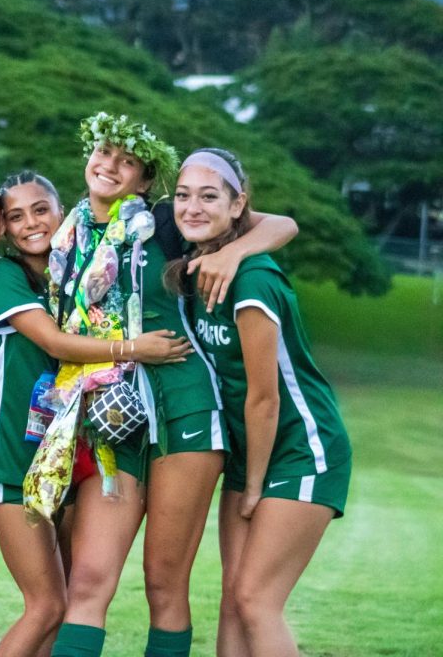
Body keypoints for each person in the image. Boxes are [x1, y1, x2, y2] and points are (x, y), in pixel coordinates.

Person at [31, 113, 298, 657]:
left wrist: (231, 252)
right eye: (102, 154)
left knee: (163, 583)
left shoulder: (164, 221)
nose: (110, 166)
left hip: (184, 406)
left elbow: (282, 224)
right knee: (86, 581)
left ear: (146, 180)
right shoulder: (65, 236)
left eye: (126, 160)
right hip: (111, 412)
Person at [0, 170, 191, 657]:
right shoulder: (8, 275)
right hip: (22, 456)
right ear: (5, 229)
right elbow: (54, 343)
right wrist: (135, 349)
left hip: (88, 443)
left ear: (62, 211)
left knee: (76, 596)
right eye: (15, 216)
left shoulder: (89, 262)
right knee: (46, 605)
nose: (31, 223)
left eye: (41, 209)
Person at [170, 148, 350, 657]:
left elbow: (264, 398)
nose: (192, 208)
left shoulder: (251, 279)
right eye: (183, 196)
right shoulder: (199, 262)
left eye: (210, 196)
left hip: (301, 449)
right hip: (251, 452)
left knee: (256, 600)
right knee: (233, 597)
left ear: (238, 205)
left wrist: (252, 487)